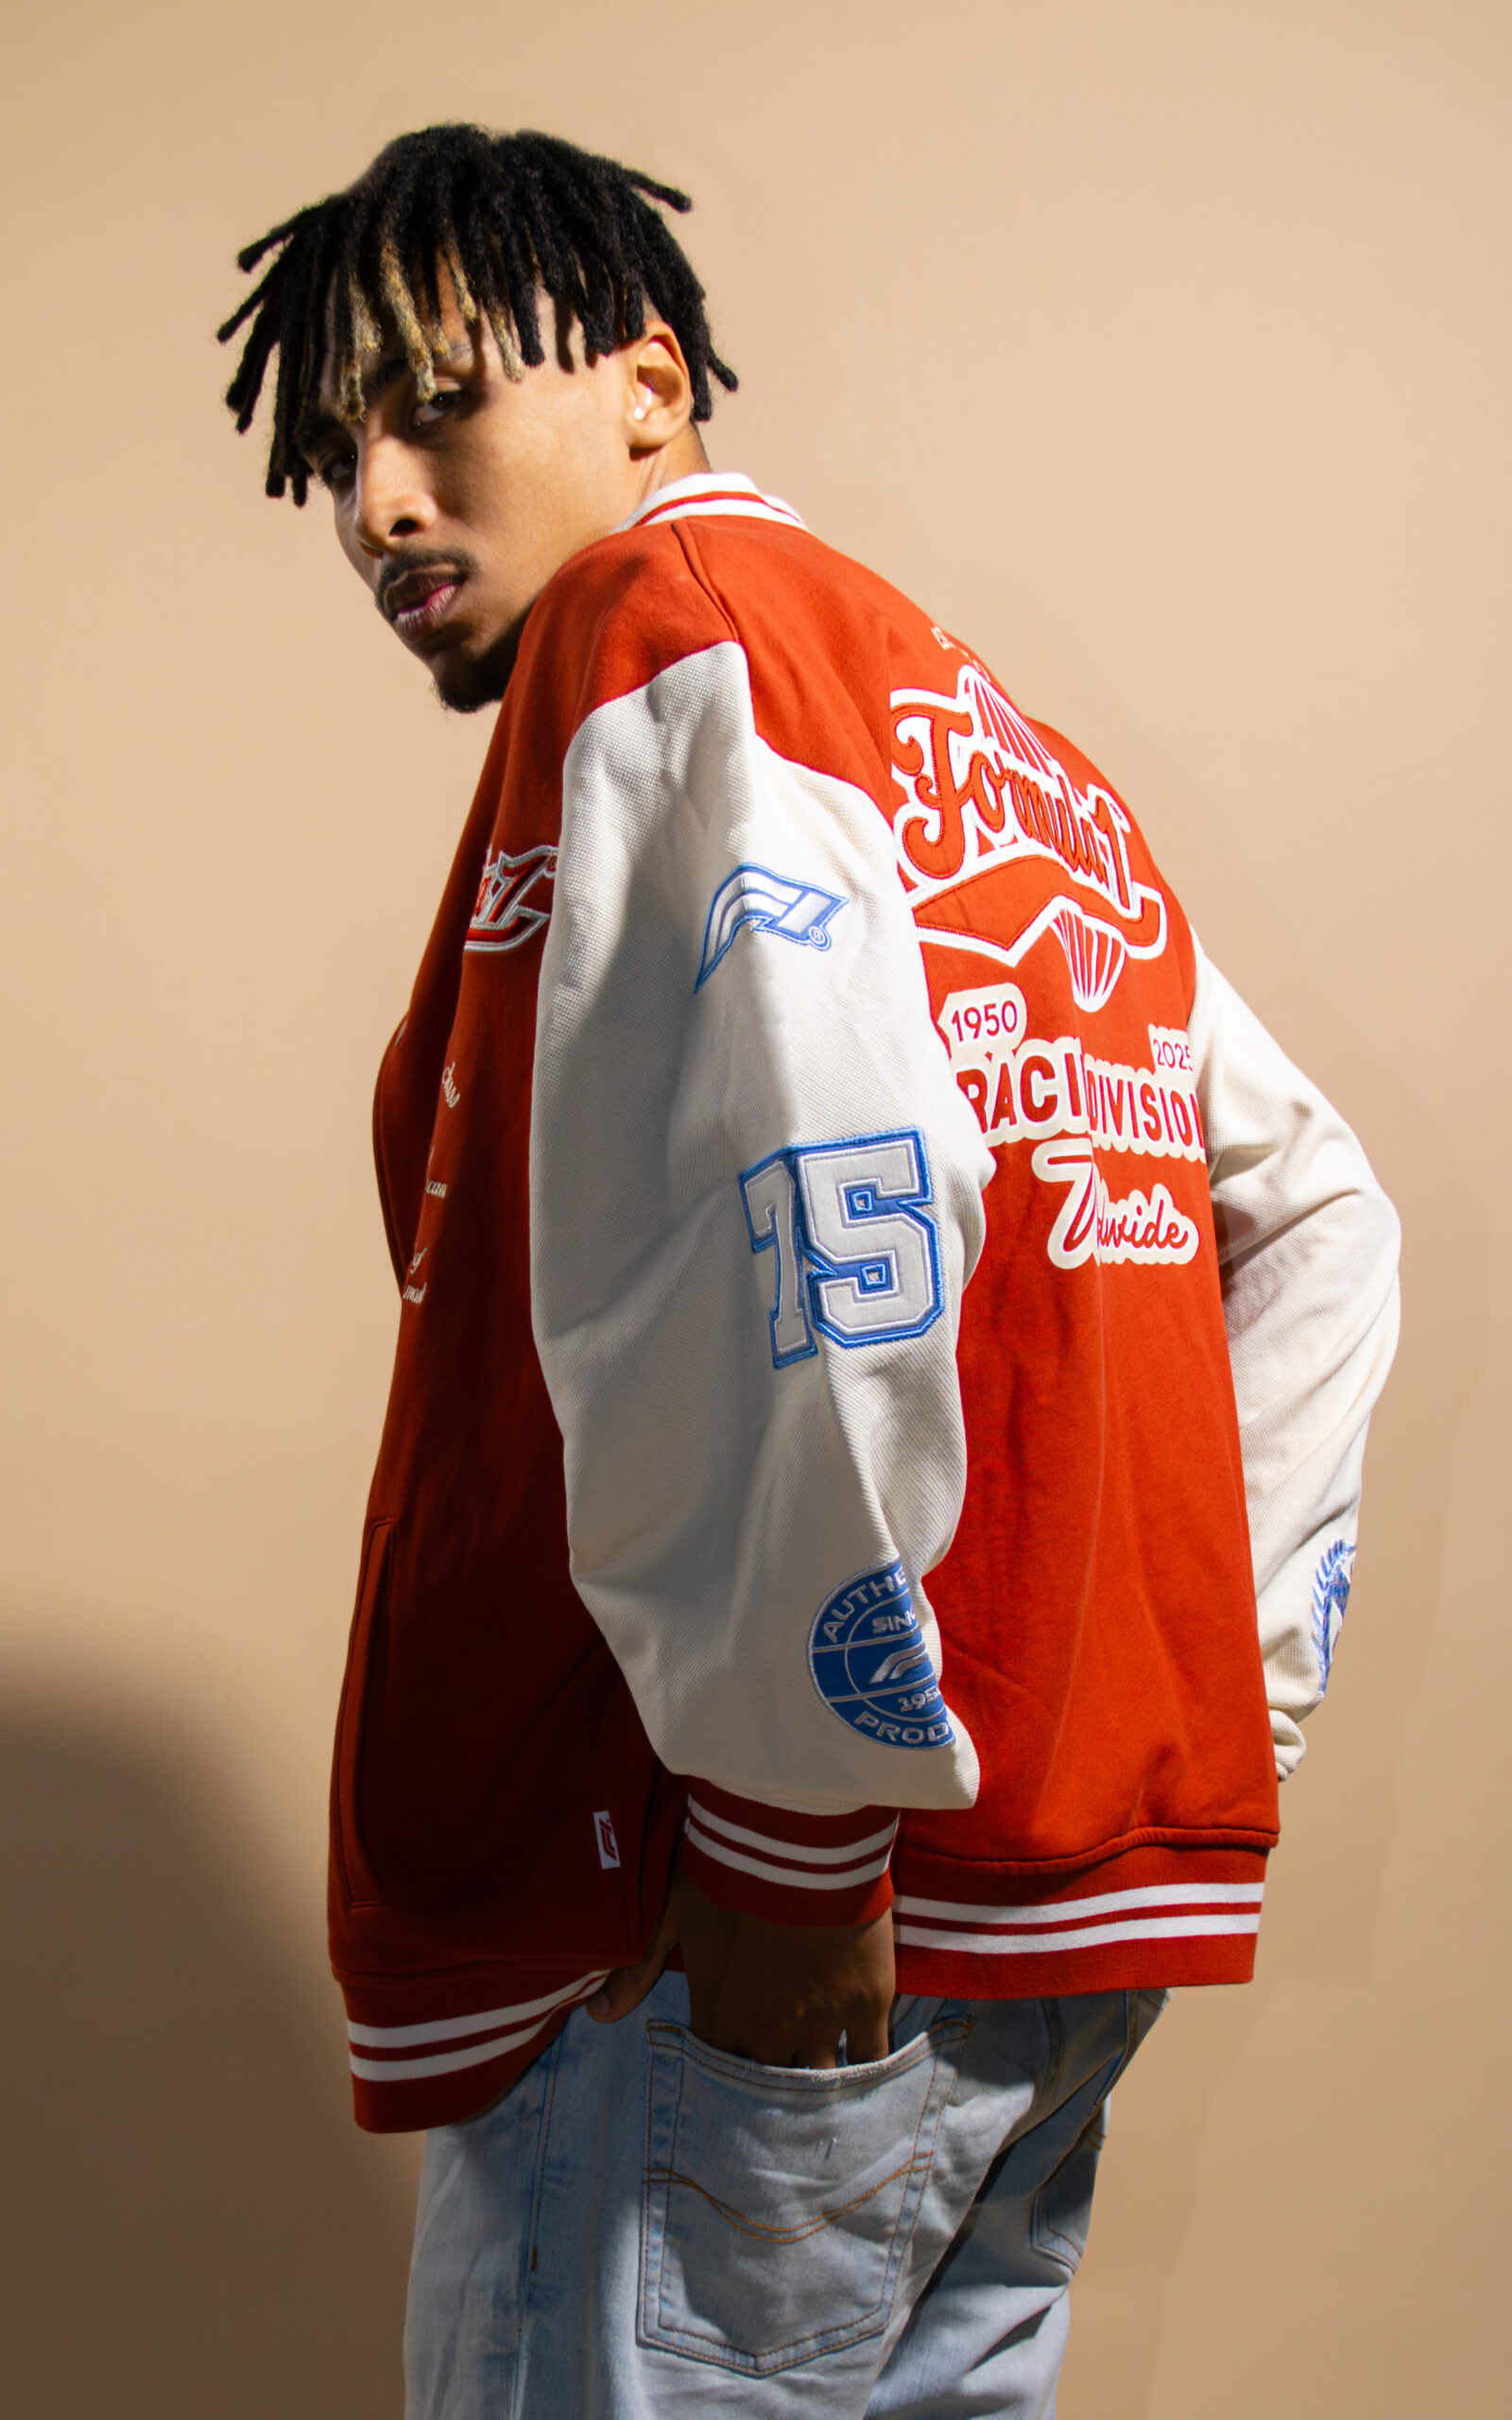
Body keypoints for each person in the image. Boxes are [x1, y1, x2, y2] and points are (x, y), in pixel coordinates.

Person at [219, 125, 1400, 2419]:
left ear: (647, 385)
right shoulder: (995, 753)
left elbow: (809, 1184)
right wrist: (1191, 1712)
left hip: (744, 1934)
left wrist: (792, 1829)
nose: (374, 502)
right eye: (335, 455)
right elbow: (1315, 1204)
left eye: (435, 408)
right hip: (1028, 1931)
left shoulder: (666, 637)